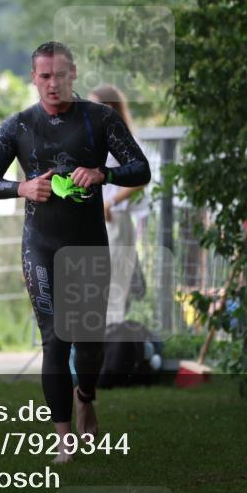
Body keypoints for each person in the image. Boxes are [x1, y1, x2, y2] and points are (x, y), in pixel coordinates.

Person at [0, 42, 151, 463]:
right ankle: (63, 440)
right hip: (41, 244)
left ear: (74, 75)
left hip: (88, 242)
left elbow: (141, 169)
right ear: (34, 79)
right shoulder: (17, 127)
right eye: (45, 76)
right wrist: (21, 187)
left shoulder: (100, 119)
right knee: (55, 339)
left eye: (61, 75)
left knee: (89, 341)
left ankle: (85, 395)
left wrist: (102, 172)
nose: (53, 84)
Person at [88, 85, 150, 325]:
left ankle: (110, 349)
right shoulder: (93, 139)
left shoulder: (123, 140)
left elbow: (140, 179)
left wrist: (109, 202)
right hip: (94, 220)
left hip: (114, 218)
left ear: (110, 108)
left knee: (114, 286)